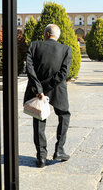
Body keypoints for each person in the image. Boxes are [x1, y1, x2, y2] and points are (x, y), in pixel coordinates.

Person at [24, 24, 72, 168]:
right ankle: (60, 150)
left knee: (39, 120)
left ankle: (41, 157)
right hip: (57, 89)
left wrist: (39, 88)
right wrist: (49, 86)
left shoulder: (34, 46)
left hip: (36, 89)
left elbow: (29, 67)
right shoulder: (66, 49)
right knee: (64, 115)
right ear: (57, 36)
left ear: (46, 34)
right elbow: (64, 73)